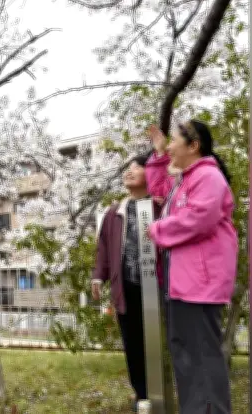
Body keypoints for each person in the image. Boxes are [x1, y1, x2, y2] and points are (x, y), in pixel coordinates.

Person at [146, 122, 237, 414]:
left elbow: (200, 217)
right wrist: (160, 157)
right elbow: (159, 189)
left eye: (173, 141)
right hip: (183, 284)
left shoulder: (209, 177)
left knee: (201, 357)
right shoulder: (185, 180)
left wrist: (158, 230)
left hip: (201, 285)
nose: (169, 146)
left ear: (193, 145)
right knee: (185, 357)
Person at [91, 154, 164, 411]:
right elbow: (103, 247)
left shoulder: (160, 206)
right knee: (132, 344)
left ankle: (162, 393)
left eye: (137, 167)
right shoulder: (114, 212)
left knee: (158, 342)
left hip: (158, 287)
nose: (130, 171)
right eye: (128, 168)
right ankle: (142, 396)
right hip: (126, 287)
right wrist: (98, 275)